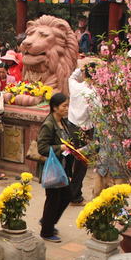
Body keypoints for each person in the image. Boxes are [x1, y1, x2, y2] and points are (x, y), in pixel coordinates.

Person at [36, 93, 75, 242]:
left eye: (67, 105)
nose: (67, 108)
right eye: (64, 105)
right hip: (53, 168)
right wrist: (61, 147)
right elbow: (42, 148)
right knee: (53, 199)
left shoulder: (62, 122)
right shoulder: (49, 124)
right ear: (54, 107)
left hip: (63, 167)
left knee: (67, 196)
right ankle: (46, 231)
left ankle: (48, 220)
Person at [67, 64, 93, 205]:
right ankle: (75, 195)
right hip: (83, 130)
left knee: (71, 161)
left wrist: (80, 70)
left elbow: (71, 77)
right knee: (81, 164)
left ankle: (71, 192)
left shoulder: (76, 86)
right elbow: (96, 116)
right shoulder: (93, 92)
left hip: (70, 126)